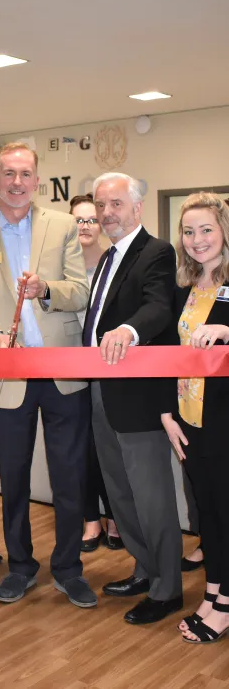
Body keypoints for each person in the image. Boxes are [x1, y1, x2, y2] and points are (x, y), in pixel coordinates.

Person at [0, 142, 95, 608]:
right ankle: (20, 566)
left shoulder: (63, 226)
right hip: (6, 375)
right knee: (13, 476)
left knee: (69, 476)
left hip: (61, 371)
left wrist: (46, 289)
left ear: (37, 181)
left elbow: (81, 291)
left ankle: (70, 568)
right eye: (7, 174)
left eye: (25, 174)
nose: (17, 182)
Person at [86, 171, 182, 625]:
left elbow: (158, 306)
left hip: (140, 398)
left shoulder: (157, 252)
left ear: (137, 207)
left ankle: (168, 589)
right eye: (101, 205)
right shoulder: (107, 257)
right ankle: (144, 568)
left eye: (116, 204)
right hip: (101, 392)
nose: (107, 214)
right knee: (120, 496)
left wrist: (128, 330)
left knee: (151, 497)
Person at [161, 192, 229, 644]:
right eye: (189, 231)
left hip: (225, 419)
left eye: (206, 229)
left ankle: (223, 605)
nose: (197, 239)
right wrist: (167, 414)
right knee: (209, 512)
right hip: (190, 419)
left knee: (224, 513)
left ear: (224, 231)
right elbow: (167, 353)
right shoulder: (183, 286)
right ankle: (214, 591)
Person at [69, 194, 122, 553]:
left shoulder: (113, 260)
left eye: (92, 219)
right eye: (79, 220)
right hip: (71, 368)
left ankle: (116, 516)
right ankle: (91, 518)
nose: (86, 225)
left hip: (109, 366)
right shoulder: (61, 263)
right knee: (81, 447)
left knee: (110, 446)